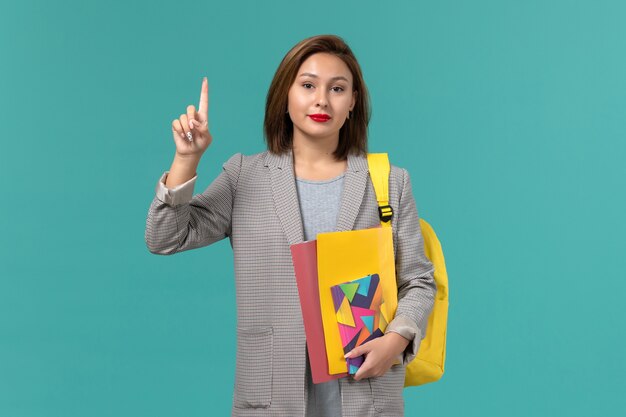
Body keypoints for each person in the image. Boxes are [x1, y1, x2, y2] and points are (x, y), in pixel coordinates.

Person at [145, 34, 436, 417]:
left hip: (365, 397)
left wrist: (396, 340)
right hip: (270, 400)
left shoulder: (389, 182)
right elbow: (164, 237)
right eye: (308, 85)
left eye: (337, 88)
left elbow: (418, 280)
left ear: (352, 103)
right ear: (286, 95)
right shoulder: (244, 176)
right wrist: (186, 159)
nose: (321, 99)